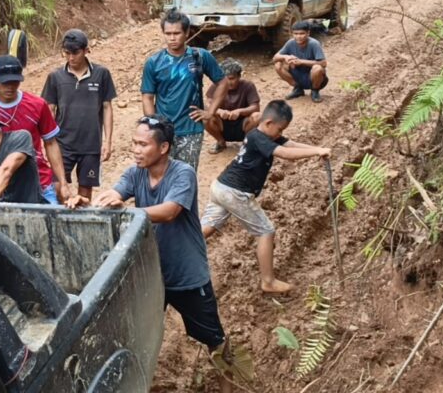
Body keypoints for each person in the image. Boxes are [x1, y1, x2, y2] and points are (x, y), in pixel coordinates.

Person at [71, 116, 232, 393]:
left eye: (143, 144)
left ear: (164, 147)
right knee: (137, 336)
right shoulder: (135, 173)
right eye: (134, 143)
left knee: (213, 338)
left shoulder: (183, 173)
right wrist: (92, 204)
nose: (136, 149)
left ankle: (230, 383)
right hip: (150, 273)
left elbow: (170, 211)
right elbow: (115, 193)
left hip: (186, 274)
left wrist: (125, 210)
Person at [201, 100, 330, 294]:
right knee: (266, 231)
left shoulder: (267, 136)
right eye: (279, 129)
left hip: (221, 187)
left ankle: (174, 250)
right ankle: (268, 281)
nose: (280, 134)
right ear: (268, 122)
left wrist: (317, 148)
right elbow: (285, 153)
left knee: (207, 227)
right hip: (235, 192)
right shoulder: (257, 137)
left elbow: (289, 143)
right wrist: (316, 152)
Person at [141, 11, 226, 171]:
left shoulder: (200, 56)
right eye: (168, 34)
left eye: (177, 33)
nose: (172, 38)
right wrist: (153, 125)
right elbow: (147, 97)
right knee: (160, 177)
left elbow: (222, 82)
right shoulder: (154, 62)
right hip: (163, 132)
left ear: (187, 33)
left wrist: (210, 112)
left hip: (191, 130)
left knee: (186, 178)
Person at [41, 29, 116, 201]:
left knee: (85, 191)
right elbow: (49, 110)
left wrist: (108, 141)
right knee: (59, 187)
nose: (71, 58)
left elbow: (107, 107)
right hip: (62, 143)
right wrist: (47, 143)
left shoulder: (101, 74)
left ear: (86, 50)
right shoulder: (55, 77)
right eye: (67, 53)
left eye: (75, 53)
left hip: (91, 144)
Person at [0, 55, 71, 204]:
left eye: (14, 82)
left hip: (40, 182)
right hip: (1, 186)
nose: (10, 87)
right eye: (4, 82)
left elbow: (51, 143)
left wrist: (62, 182)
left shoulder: (37, 105)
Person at [203, 58, 261, 154]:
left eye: (231, 78)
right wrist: (219, 111)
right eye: (225, 79)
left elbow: (255, 107)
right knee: (205, 117)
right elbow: (208, 103)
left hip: (243, 125)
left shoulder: (248, 86)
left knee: (257, 116)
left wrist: (239, 112)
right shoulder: (217, 86)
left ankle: (247, 143)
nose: (228, 82)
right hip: (222, 125)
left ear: (239, 76)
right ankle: (220, 142)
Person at [272, 20, 329, 103]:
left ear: (308, 33)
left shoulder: (314, 44)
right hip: (298, 75)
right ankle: (298, 89)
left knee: (318, 68)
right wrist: (286, 57)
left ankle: (315, 91)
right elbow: (275, 58)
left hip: (315, 78)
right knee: (278, 65)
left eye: (302, 33)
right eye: (296, 34)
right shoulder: (290, 43)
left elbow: (323, 63)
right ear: (292, 34)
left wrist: (301, 62)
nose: (298, 36)